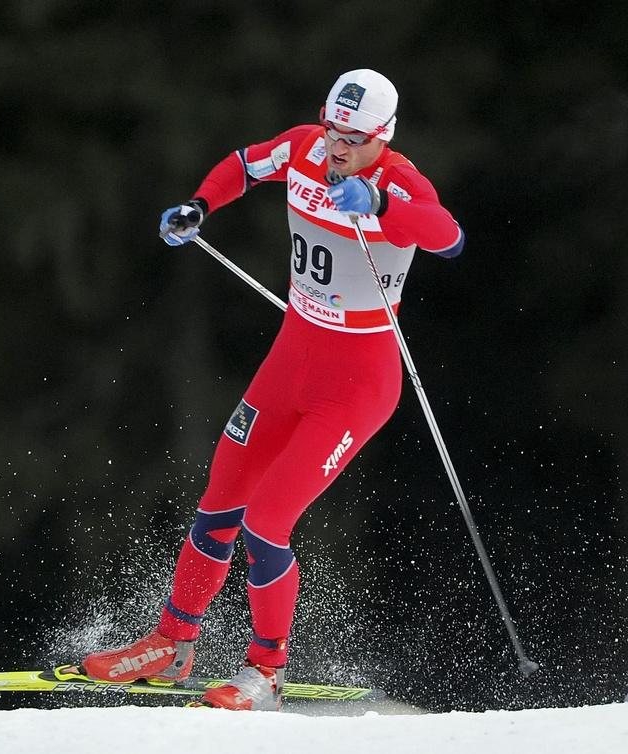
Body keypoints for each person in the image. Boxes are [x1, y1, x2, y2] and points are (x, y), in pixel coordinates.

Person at [80, 69, 465, 711]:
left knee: (267, 523)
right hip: (291, 359)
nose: (337, 146)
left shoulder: (400, 181)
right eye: (332, 127)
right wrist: (199, 205)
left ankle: (266, 672)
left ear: (384, 135)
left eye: (353, 137)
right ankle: (172, 644)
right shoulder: (305, 147)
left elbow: (449, 237)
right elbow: (244, 166)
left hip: (357, 384)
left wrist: (380, 206)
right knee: (221, 497)